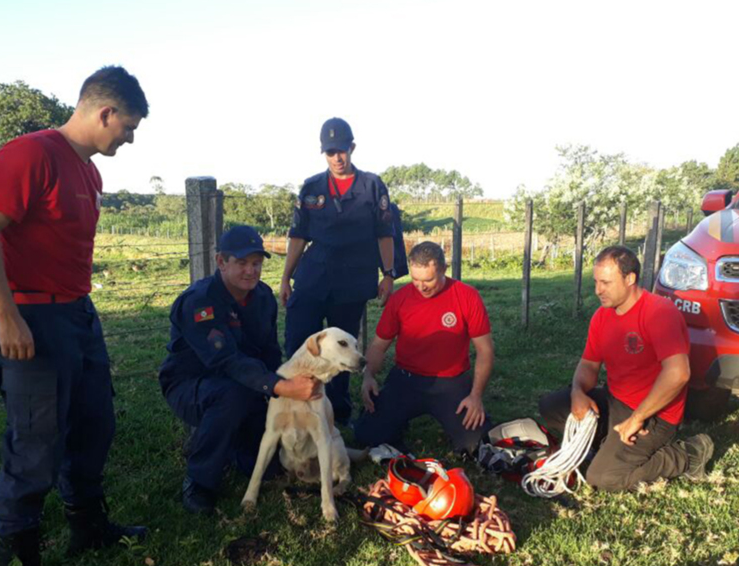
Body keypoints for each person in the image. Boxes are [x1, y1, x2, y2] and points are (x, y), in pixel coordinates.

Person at [0, 66, 149, 566]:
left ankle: (86, 526)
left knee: (95, 424)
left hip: (76, 318)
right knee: (36, 444)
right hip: (31, 319)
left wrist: (82, 314)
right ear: (104, 113)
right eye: (129, 127)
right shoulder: (31, 154)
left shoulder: (88, 173)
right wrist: (7, 315)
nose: (130, 138)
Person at [159, 225, 321, 515]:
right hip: (191, 382)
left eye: (257, 263)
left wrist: (284, 385)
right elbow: (225, 361)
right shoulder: (200, 301)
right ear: (221, 262)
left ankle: (235, 449)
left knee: (271, 465)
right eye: (242, 263)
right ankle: (199, 480)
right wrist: (278, 386)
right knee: (230, 397)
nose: (251, 271)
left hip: (247, 382)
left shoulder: (263, 297)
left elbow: (270, 351)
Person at [538, 245, 714, 491]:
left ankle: (688, 454)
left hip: (654, 414)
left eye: (606, 283)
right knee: (550, 407)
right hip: (615, 400)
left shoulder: (659, 313)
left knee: (603, 478)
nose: (598, 290)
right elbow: (589, 364)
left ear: (630, 278)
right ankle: (609, 444)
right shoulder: (602, 316)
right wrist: (578, 391)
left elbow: (679, 373)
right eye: (596, 282)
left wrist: (638, 418)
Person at [281, 117, 397, 424]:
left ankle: (338, 413)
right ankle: (295, 405)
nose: (337, 157)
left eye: (342, 150)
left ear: (352, 148)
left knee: (344, 351)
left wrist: (388, 274)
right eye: (330, 151)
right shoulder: (311, 188)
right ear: (324, 152)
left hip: (352, 280)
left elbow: (385, 233)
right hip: (313, 277)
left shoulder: (372, 186)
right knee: (297, 342)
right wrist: (285, 277)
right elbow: (297, 236)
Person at [355, 242, 493, 456]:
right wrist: (368, 376)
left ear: (443, 270)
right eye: (415, 280)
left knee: (475, 443)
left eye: (428, 280)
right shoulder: (400, 299)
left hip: (450, 381)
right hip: (406, 379)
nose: (421, 286)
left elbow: (484, 351)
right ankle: (396, 424)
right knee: (366, 435)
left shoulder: (467, 296)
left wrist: (475, 396)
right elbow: (378, 345)